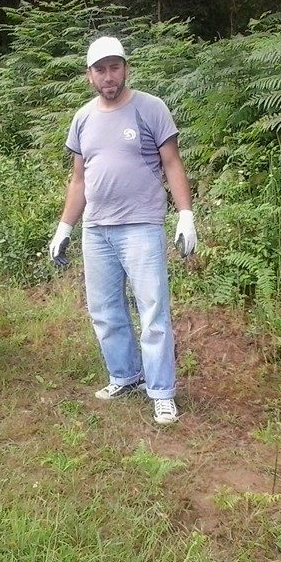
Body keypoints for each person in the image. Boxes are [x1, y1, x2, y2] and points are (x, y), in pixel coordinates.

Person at [48, 36, 197, 425]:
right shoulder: (82, 118)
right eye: (100, 69)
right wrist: (65, 227)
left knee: (152, 310)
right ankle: (125, 375)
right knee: (105, 310)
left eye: (115, 67)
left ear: (125, 69)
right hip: (97, 230)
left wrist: (186, 215)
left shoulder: (150, 108)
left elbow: (173, 164)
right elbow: (79, 179)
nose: (108, 76)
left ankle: (161, 391)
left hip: (142, 226)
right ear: (89, 75)